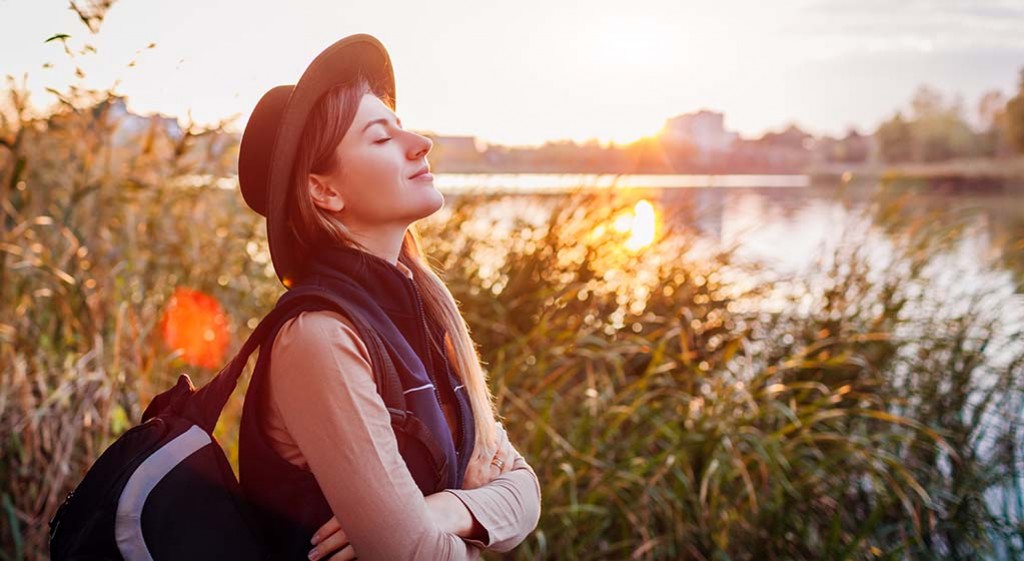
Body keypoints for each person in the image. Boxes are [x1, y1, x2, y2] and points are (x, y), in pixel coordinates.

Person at [235, 34, 541, 560]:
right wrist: (470, 511)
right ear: (324, 191)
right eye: (381, 138)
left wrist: (441, 511)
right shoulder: (319, 338)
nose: (420, 142)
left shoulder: (420, 313)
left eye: (403, 127)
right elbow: (416, 556)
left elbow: (528, 494)